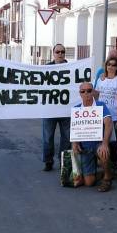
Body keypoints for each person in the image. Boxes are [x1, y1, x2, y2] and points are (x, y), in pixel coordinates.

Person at [71, 82, 113, 191]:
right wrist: (74, 143)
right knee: (89, 183)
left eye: (89, 90)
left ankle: (107, 178)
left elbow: (108, 123)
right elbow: (74, 128)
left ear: (93, 92)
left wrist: (105, 144)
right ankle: (105, 171)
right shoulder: (76, 109)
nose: (86, 93)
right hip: (85, 146)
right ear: (80, 93)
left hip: (98, 143)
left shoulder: (101, 105)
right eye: (83, 91)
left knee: (103, 152)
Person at [94, 55, 117, 184]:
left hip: (114, 117)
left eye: (114, 65)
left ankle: (114, 167)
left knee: (114, 144)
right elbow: (95, 96)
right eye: (109, 64)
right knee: (103, 143)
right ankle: (105, 168)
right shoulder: (101, 79)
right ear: (106, 66)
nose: (111, 67)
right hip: (101, 117)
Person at [42, 43, 72, 171]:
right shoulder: (46, 68)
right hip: (50, 110)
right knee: (48, 137)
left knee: (66, 137)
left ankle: (63, 161)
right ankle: (48, 161)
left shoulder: (72, 68)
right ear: (53, 53)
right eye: (57, 52)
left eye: (62, 52)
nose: (60, 54)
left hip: (66, 110)